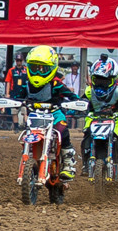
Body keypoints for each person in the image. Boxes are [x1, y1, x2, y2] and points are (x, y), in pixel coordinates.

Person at [18, 44, 78, 178]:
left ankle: (68, 161)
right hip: (35, 116)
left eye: (43, 68)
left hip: (54, 114)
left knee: (62, 130)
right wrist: (13, 102)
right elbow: (17, 96)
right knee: (26, 134)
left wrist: (78, 102)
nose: (38, 72)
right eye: (35, 68)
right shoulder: (27, 84)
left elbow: (72, 96)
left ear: (51, 68)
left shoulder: (56, 84)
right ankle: (28, 157)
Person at [80, 56, 118, 179]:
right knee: (86, 137)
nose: (101, 83)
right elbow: (81, 101)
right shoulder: (89, 91)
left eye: (105, 80)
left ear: (112, 79)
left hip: (114, 119)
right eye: (98, 80)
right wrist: (75, 107)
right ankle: (85, 164)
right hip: (93, 119)